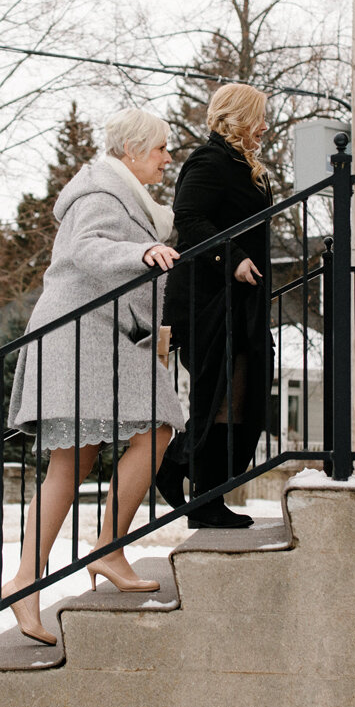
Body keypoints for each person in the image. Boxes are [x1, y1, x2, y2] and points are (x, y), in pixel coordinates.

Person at [3, 107, 186, 645]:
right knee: (124, 439)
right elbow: (87, 249)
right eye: (160, 149)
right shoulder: (100, 193)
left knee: (104, 449)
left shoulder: (128, 196)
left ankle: (100, 553)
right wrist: (143, 250)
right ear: (130, 151)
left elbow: (163, 227)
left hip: (100, 335)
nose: (167, 157)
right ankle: (41, 574)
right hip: (76, 334)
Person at [153, 83, 272, 530]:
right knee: (219, 395)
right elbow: (189, 219)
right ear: (238, 116)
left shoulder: (243, 165)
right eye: (258, 116)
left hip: (241, 299)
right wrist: (234, 257)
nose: (264, 126)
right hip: (209, 298)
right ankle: (201, 492)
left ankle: (185, 469)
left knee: (243, 398)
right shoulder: (209, 160)